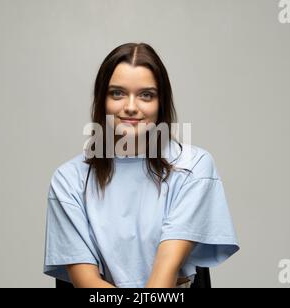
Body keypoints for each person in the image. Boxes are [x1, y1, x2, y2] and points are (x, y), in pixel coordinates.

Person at [43, 42, 239, 288]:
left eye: (146, 95)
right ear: (101, 99)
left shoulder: (194, 168)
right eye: (117, 93)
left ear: (161, 103)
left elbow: (163, 276)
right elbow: (87, 283)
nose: (131, 107)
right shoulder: (69, 179)